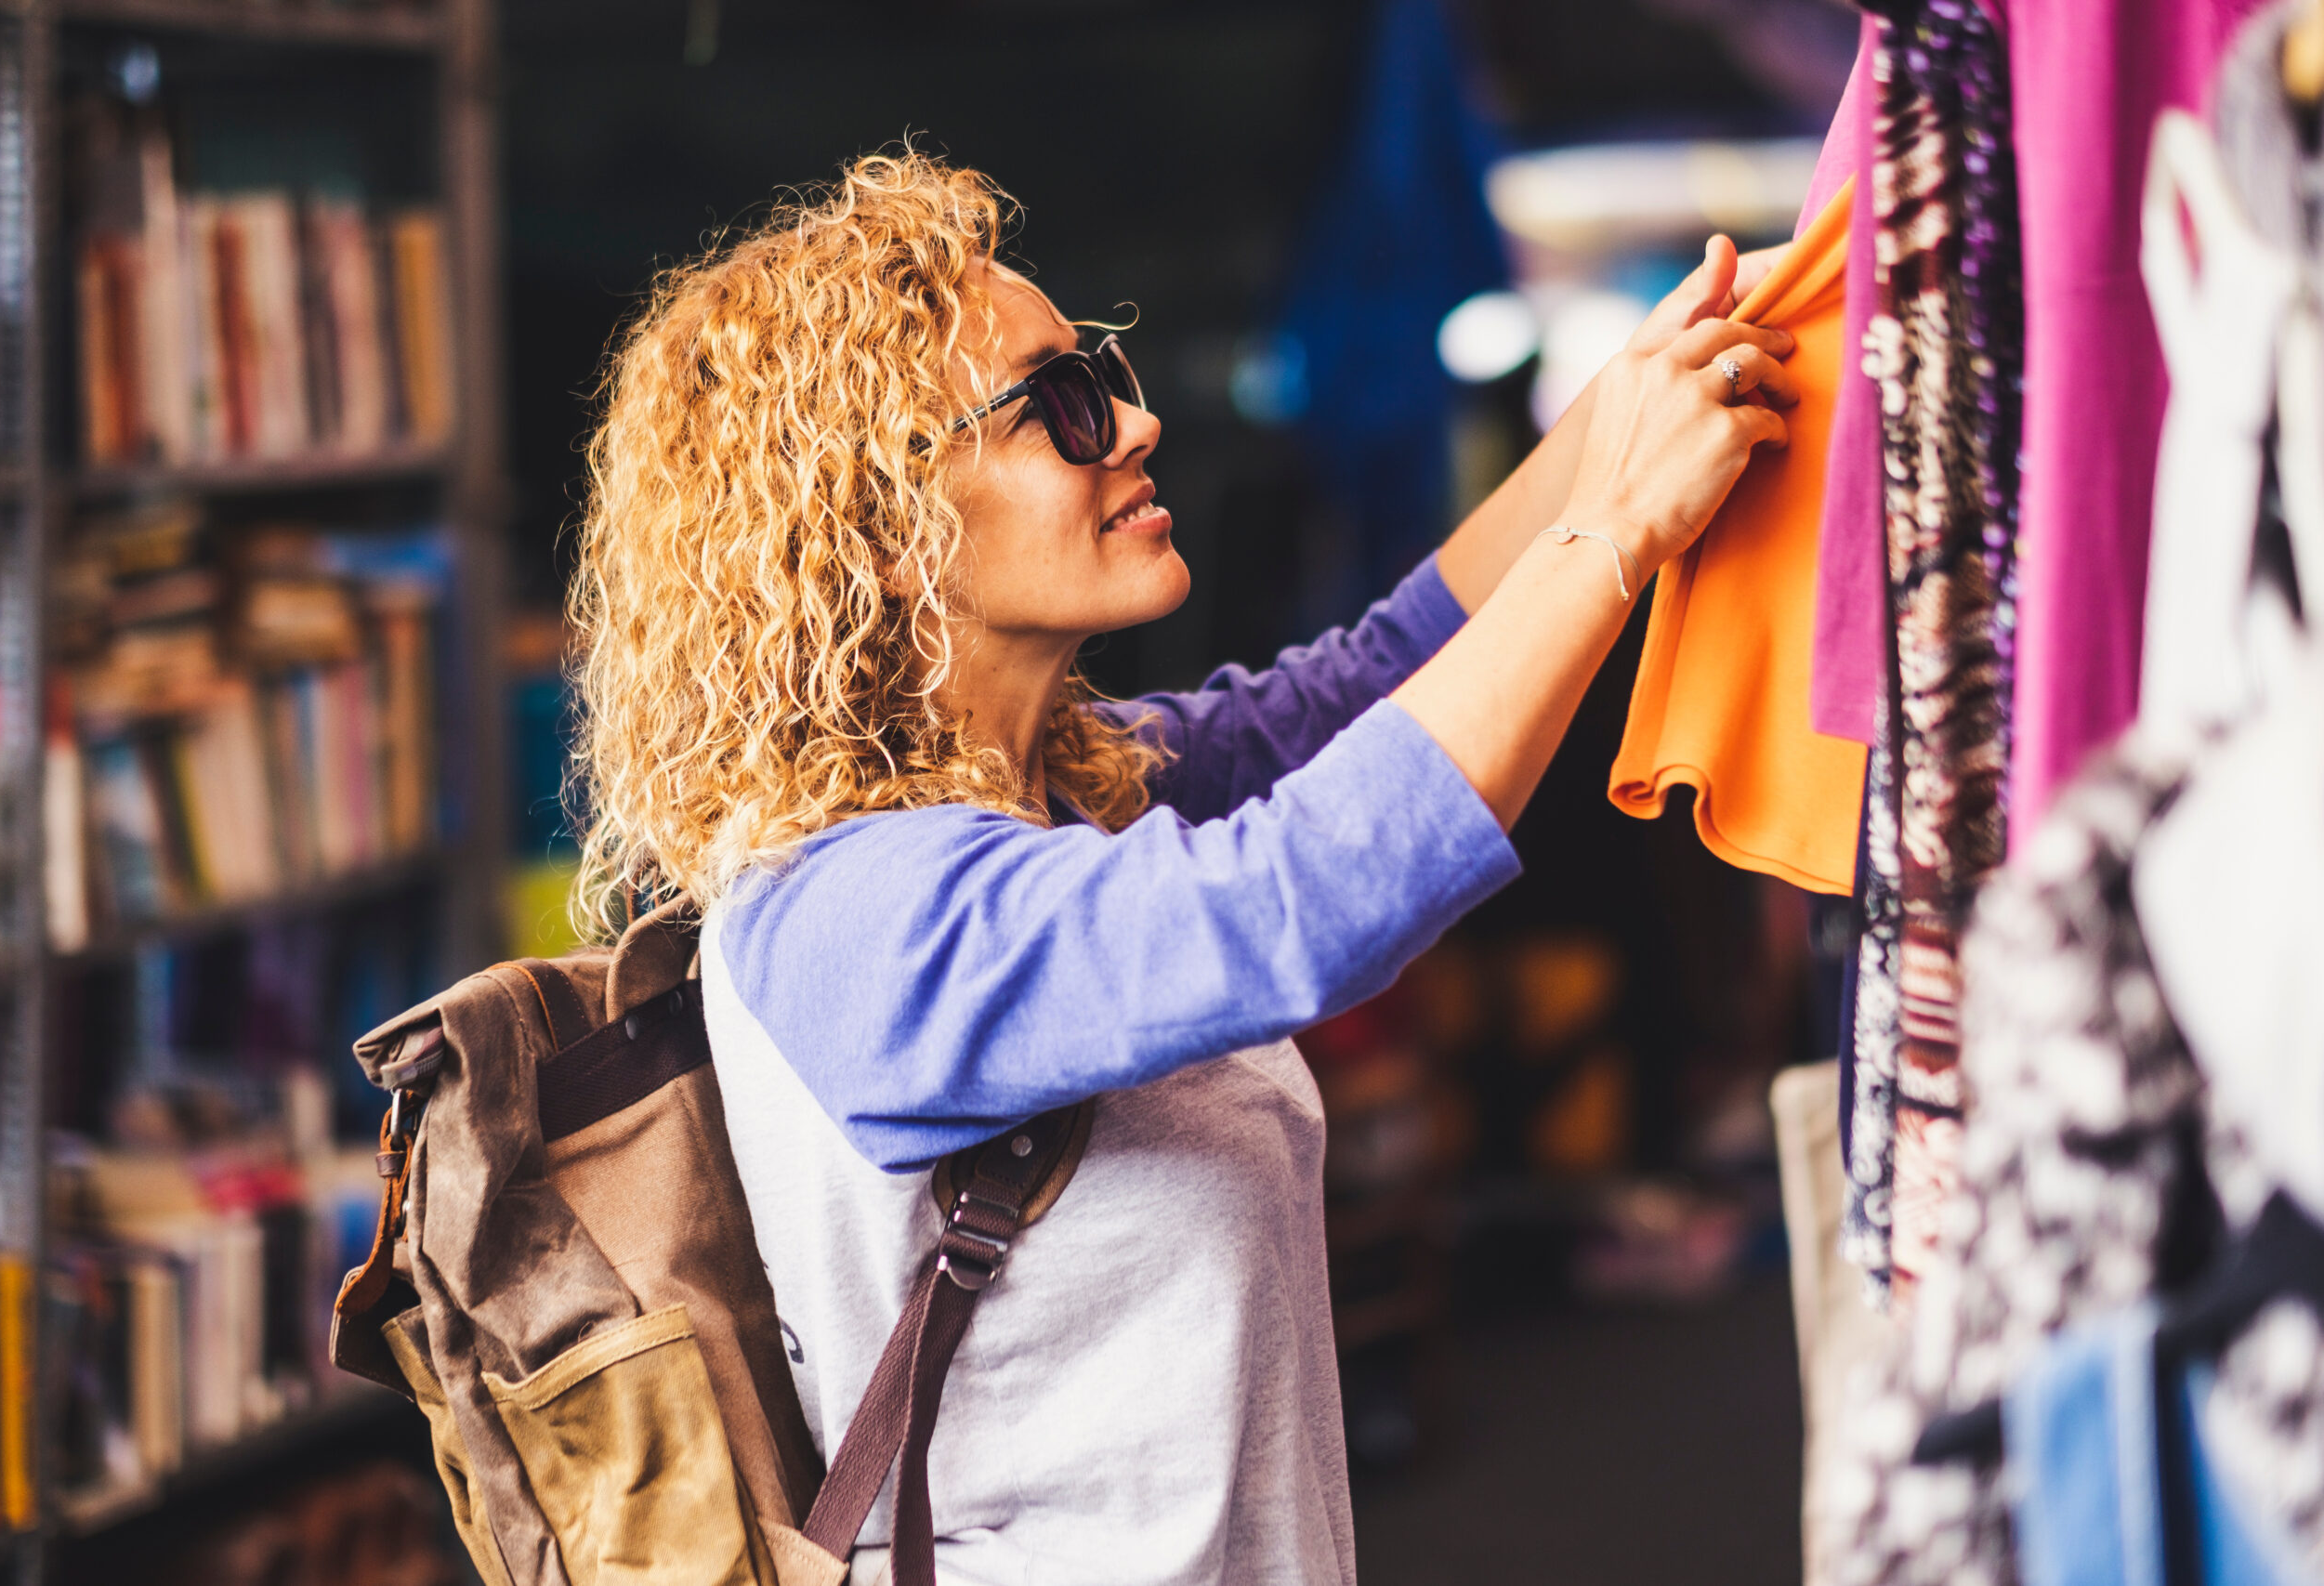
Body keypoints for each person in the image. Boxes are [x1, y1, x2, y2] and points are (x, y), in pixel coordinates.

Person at [568, 151, 1795, 1586]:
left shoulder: (1059, 794)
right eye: (1062, 407)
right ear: (882, 533)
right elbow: (1301, 905)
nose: (1138, 422)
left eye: (1108, 376)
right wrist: (1621, 524)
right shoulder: (849, 916)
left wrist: (1631, 397)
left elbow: (1378, 677)